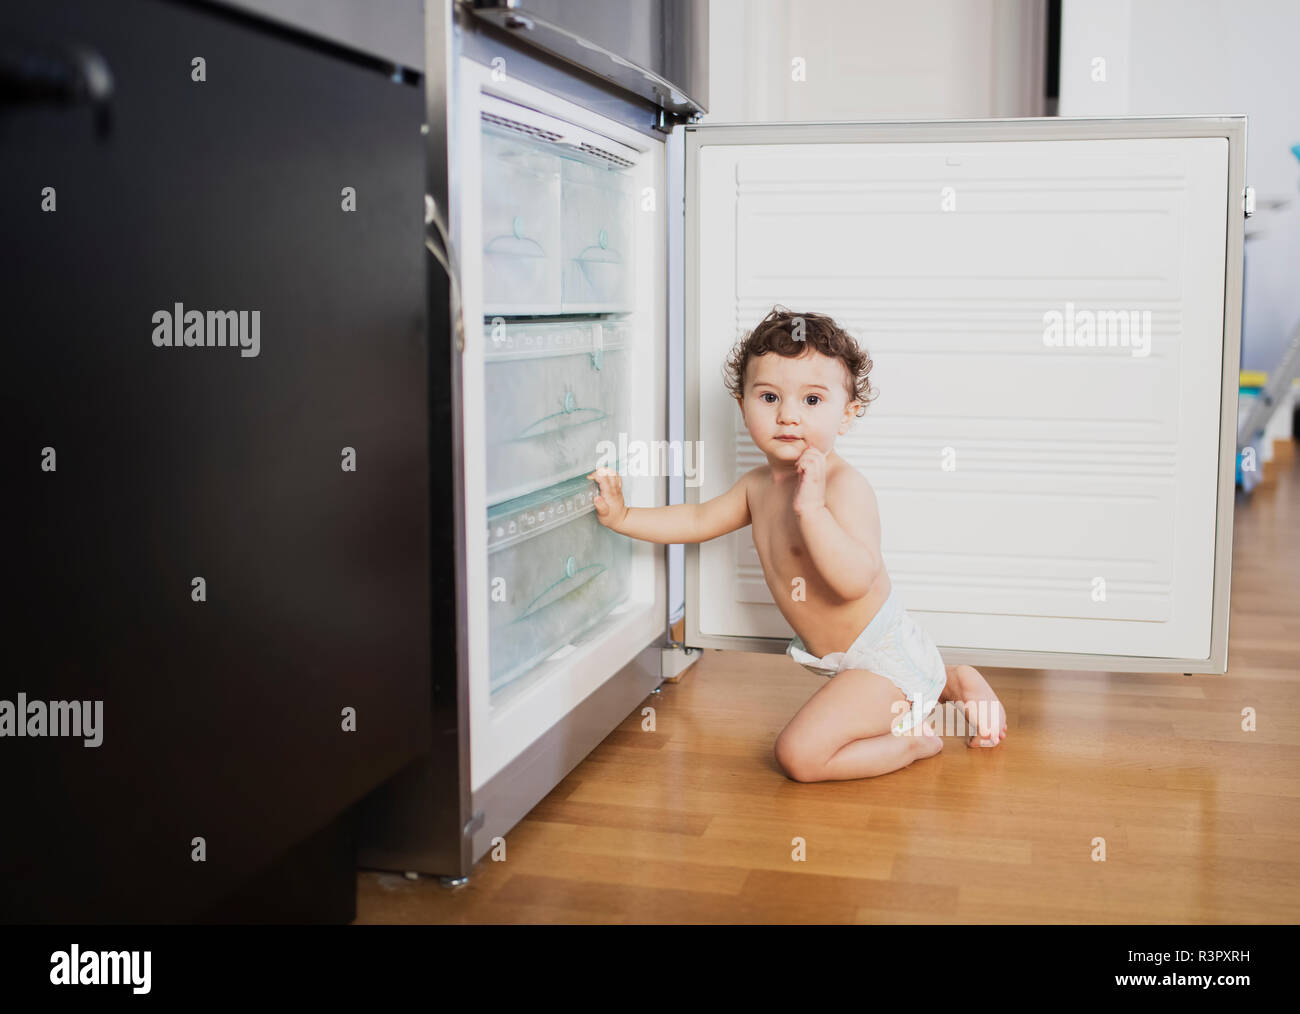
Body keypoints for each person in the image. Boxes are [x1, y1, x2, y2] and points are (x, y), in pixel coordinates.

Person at [587, 306, 1006, 783]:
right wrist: (623, 517)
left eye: (811, 400)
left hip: (884, 660)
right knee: (818, 738)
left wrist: (813, 511)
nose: (787, 415)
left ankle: (912, 739)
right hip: (846, 663)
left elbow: (854, 582)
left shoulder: (845, 488)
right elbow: (698, 519)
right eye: (769, 396)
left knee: (799, 757)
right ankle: (949, 682)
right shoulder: (757, 486)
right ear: (742, 403)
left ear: (846, 415)